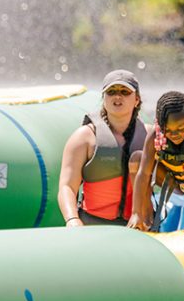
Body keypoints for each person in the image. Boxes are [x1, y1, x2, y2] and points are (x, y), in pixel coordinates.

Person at [58, 70, 146, 226]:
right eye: (111, 92)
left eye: (125, 92)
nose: (117, 96)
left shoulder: (149, 136)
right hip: (94, 225)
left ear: (137, 100)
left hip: (139, 226)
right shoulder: (84, 137)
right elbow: (67, 186)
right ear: (104, 99)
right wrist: (72, 219)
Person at [129, 91, 184, 231]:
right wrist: (136, 213)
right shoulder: (155, 134)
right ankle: (145, 220)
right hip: (171, 178)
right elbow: (144, 173)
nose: (175, 135)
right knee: (137, 159)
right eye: (168, 130)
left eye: (181, 129)